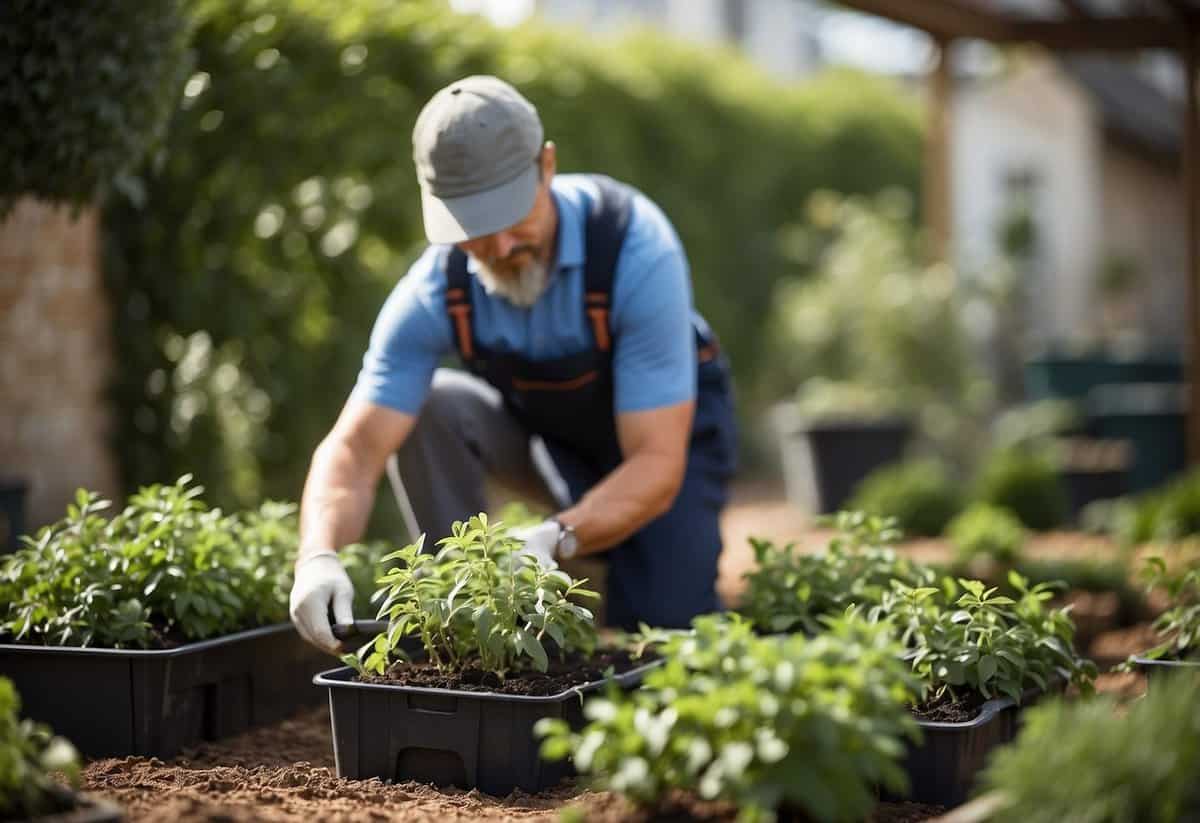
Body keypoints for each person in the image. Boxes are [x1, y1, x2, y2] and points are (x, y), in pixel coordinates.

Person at [289, 75, 736, 654]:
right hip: (551, 450)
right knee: (428, 405)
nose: (498, 248)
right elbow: (355, 449)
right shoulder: (436, 289)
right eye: (473, 228)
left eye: (509, 216)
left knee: (662, 638)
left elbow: (656, 460)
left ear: (546, 166)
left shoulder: (632, 247)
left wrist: (557, 536)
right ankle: (463, 619)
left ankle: (615, 569)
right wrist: (317, 555)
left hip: (663, 454)